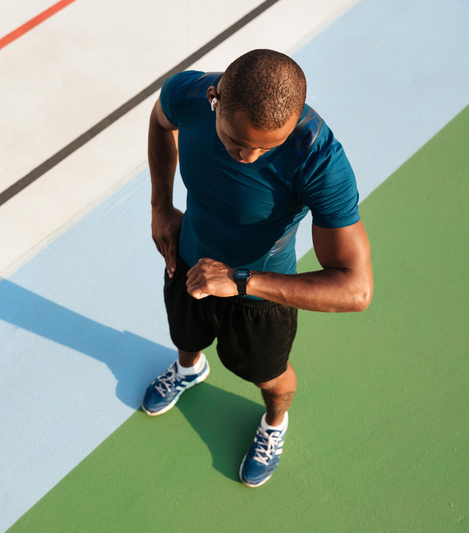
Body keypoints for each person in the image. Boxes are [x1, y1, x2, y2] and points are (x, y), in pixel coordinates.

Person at [142, 49, 373, 487]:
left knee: (270, 376)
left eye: (269, 145)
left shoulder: (318, 159)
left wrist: (241, 281)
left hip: (260, 298)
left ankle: (274, 422)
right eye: (236, 141)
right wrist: (160, 207)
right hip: (187, 258)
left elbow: (356, 289)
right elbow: (159, 120)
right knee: (184, 335)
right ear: (215, 100)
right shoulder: (188, 94)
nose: (250, 155)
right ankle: (189, 369)